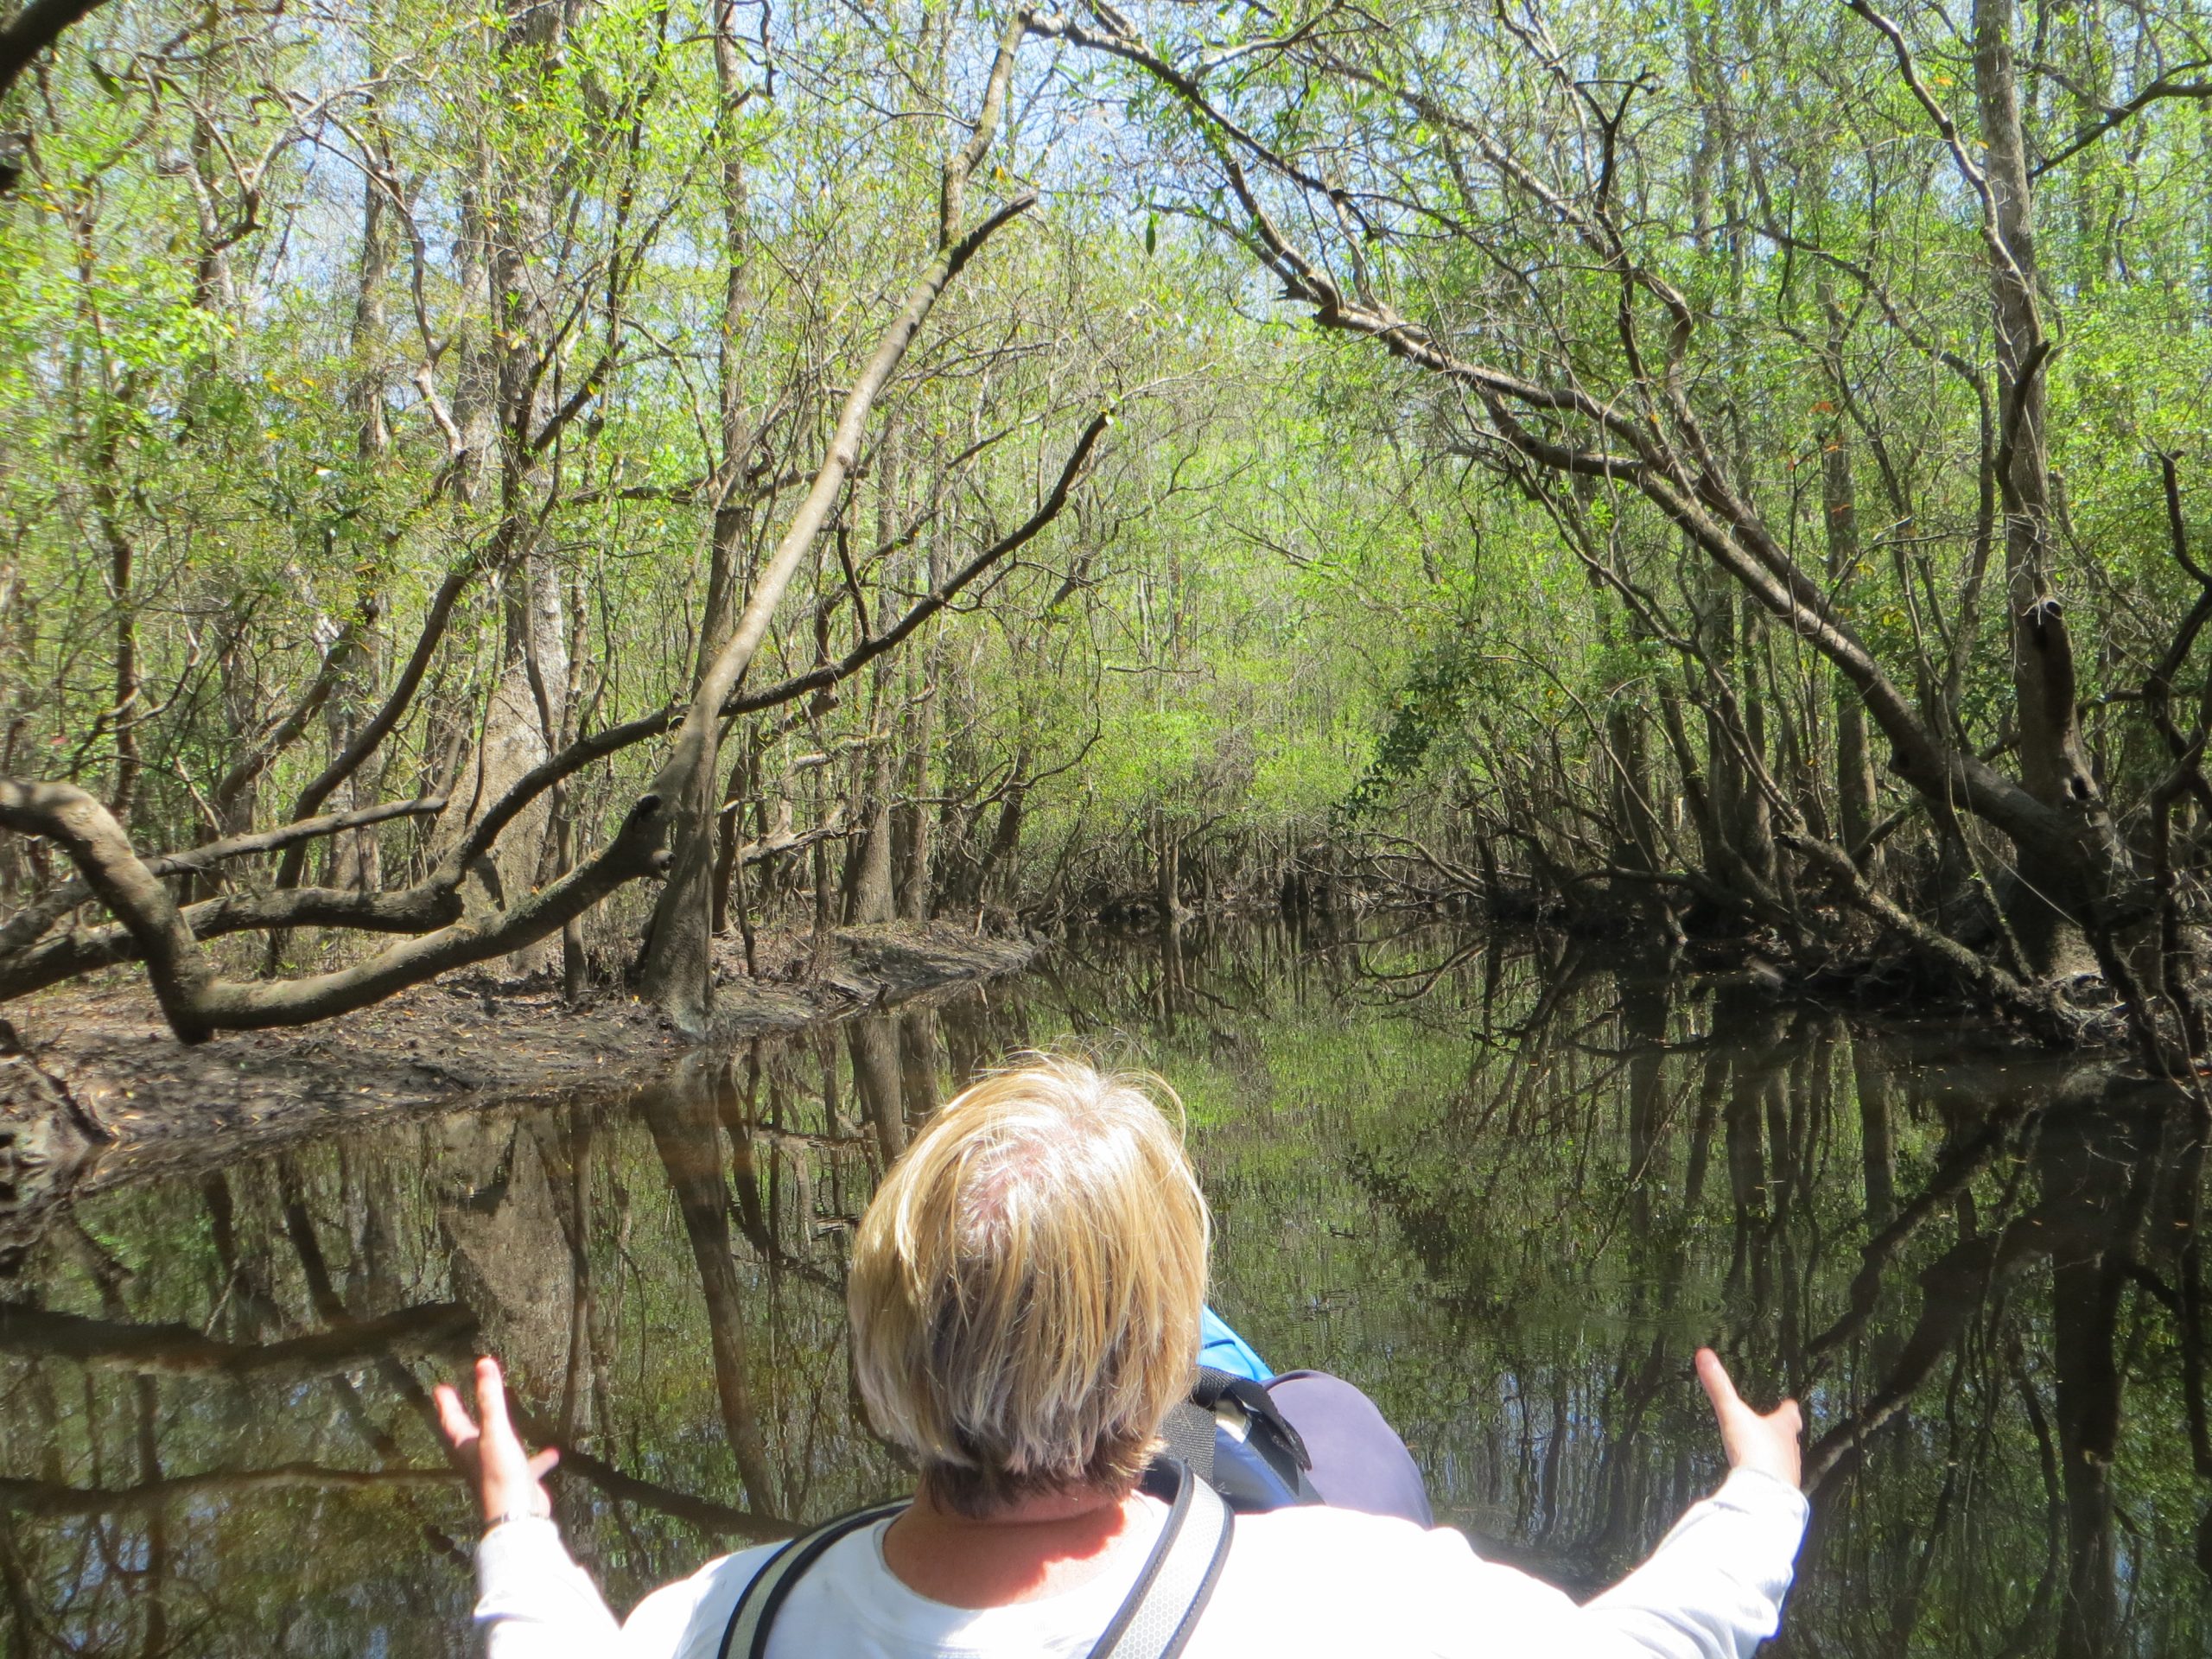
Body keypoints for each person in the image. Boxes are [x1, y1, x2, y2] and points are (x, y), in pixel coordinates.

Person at [437, 1056, 1808, 1658]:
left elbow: (547, 1648)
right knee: (1327, 1432)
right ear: (1155, 1359)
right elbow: (1655, 1640)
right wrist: (1760, 1494)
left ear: (884, 1343)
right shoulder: (1358, 1599)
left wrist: (516, 1525)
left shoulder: (716, 1620)